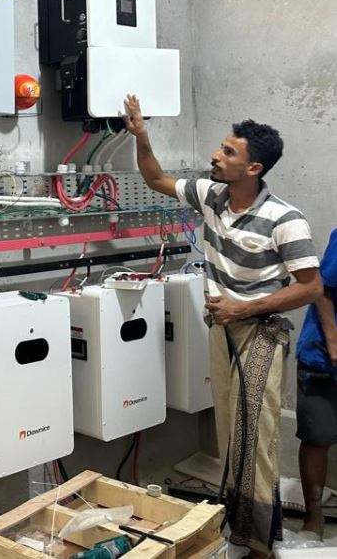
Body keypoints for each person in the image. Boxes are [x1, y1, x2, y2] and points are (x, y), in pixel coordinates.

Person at [123, 94, 322, 558]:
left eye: (228, 152)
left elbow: (311, 288)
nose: (216, 155)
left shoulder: (285, 219)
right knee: (231, 434)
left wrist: (243, 309)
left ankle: (260, 545)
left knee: (255, 438)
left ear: (253, 168)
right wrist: (141, 135)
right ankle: (238, 532)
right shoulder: (211, 196)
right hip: (222, 327)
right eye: (221, 147)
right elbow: (154, 178)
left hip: (261, 332)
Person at [296, 227, 337, 538]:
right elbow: (320, 288)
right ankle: (313, 518)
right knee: (317, 437)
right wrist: (333, 344)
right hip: (323, 358)